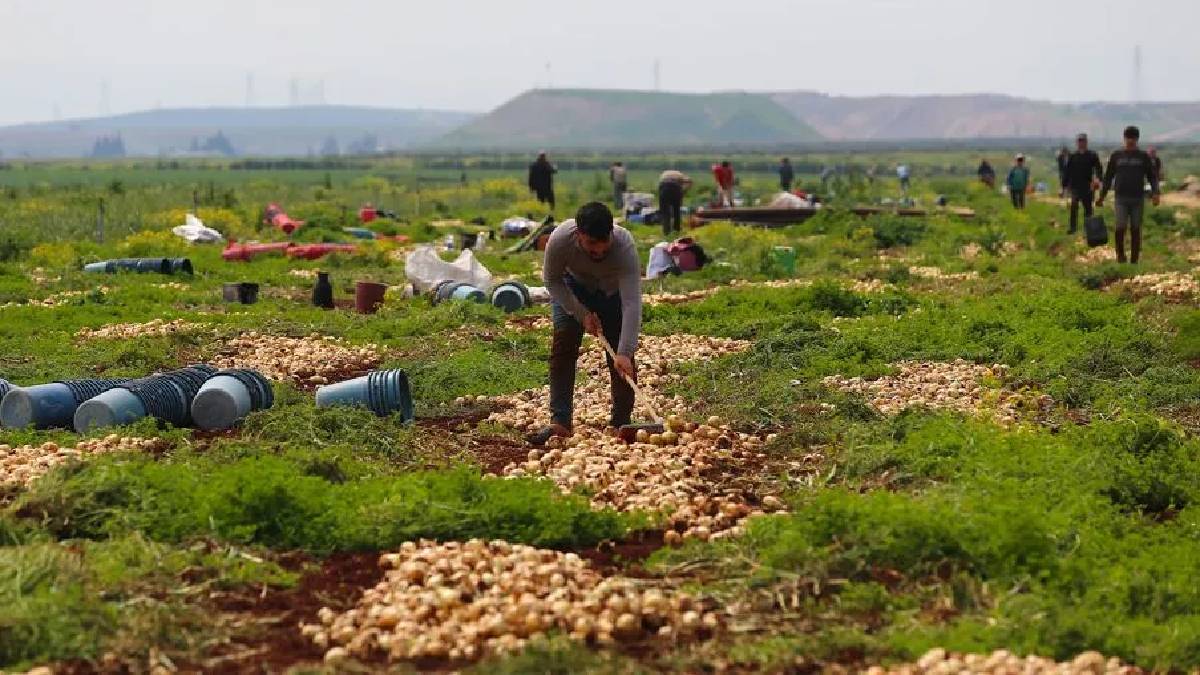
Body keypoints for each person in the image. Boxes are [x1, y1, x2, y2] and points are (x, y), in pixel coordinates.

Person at [528, 202, 642, 445]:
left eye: (604, 245)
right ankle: (560, 421)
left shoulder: (624, 246)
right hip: (572, 290)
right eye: (591, 245)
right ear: (578, 234)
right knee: (564, 347)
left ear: (612, 233)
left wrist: (624, 351)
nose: (599, 252)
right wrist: (580, 313)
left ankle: (622, 422)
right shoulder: (559, 240)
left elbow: (632, 302)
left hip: (612, 295)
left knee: (621, 359)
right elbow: (551, 281)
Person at [1097, 126, 1161, 264]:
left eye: (1133, 139)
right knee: (1120, 227)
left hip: (1137, 197)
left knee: (1135, 228)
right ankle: (1120, 256)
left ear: (1137, 140)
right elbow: (1108, 177)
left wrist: (1156, 193)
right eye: (1128, 138)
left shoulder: (1143, 157)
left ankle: (1134, 260)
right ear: (1124, 138)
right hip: (1120, 198)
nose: (1130, 141)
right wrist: (1102, 196)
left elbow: (1152, 177)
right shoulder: (1116, 156)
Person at [1063, 133, 1103, 234]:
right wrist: (1064, 186)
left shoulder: (1092, 155)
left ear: (1086, 142)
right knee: (1073, 207)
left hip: (1088, 187)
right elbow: (1067, 171)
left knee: (1088, 210)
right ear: (1077, 143)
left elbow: (1099, 169)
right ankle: (1073, 228)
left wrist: (1098, 179)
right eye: (1079, 141)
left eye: (1083, 141)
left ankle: (1088, 230)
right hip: (1075, 187)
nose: (1081, 143)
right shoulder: (1073, 156)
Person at [657, 169, 692, 236]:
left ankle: (666, 232)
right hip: (676, 189)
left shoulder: (664, 174)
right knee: (676, 212)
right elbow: (689, 181)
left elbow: (660, 186)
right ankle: (677, 230)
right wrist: (684, 191)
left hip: (664, 189)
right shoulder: (680, 175)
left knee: (665, 213)